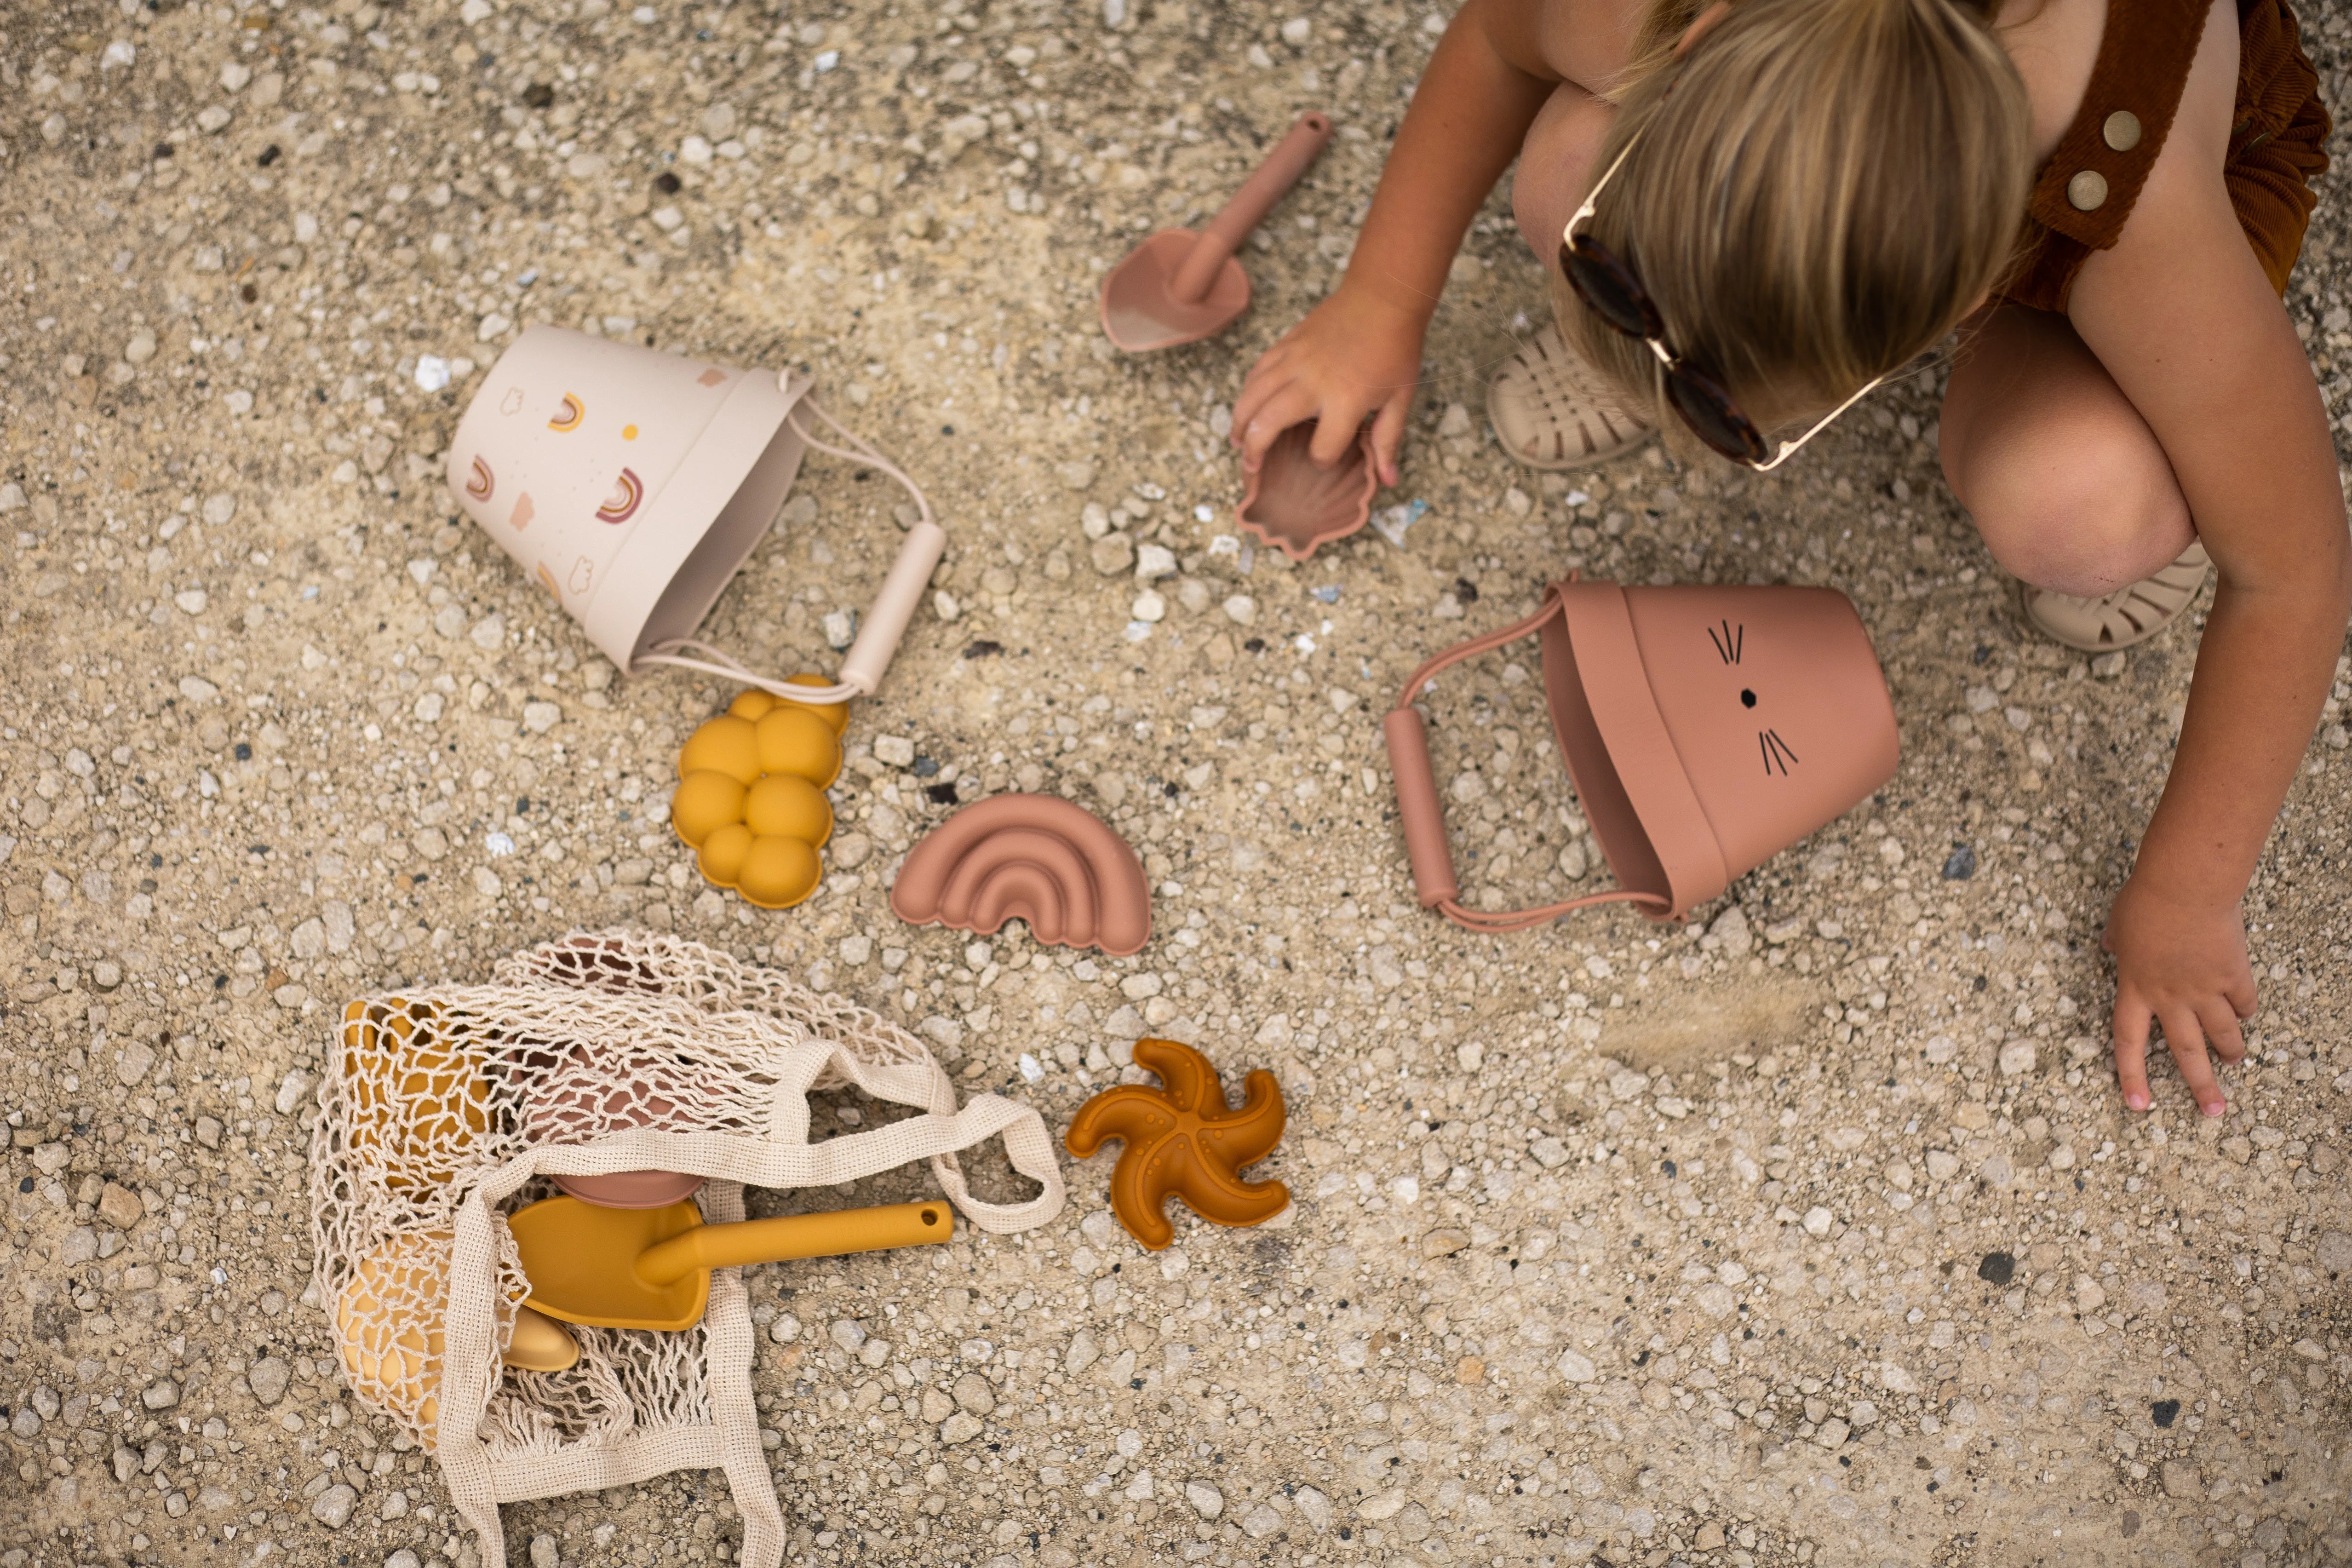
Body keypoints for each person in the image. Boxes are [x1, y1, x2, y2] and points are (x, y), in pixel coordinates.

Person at [1232, 0, 2343, 1118]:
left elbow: (2292, 574)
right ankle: (1658, 311)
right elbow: (1494, 38)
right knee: (1565, 168)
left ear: (1959, 306)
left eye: (1715, 409)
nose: (1688, 428)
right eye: (1612, 282)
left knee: (2082, 508)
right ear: (1699, 39)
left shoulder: (2135, 223)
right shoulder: (1638, 14)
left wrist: (2187, 892)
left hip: (2144, 173)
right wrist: (1379, 300)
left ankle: (2176, 469)